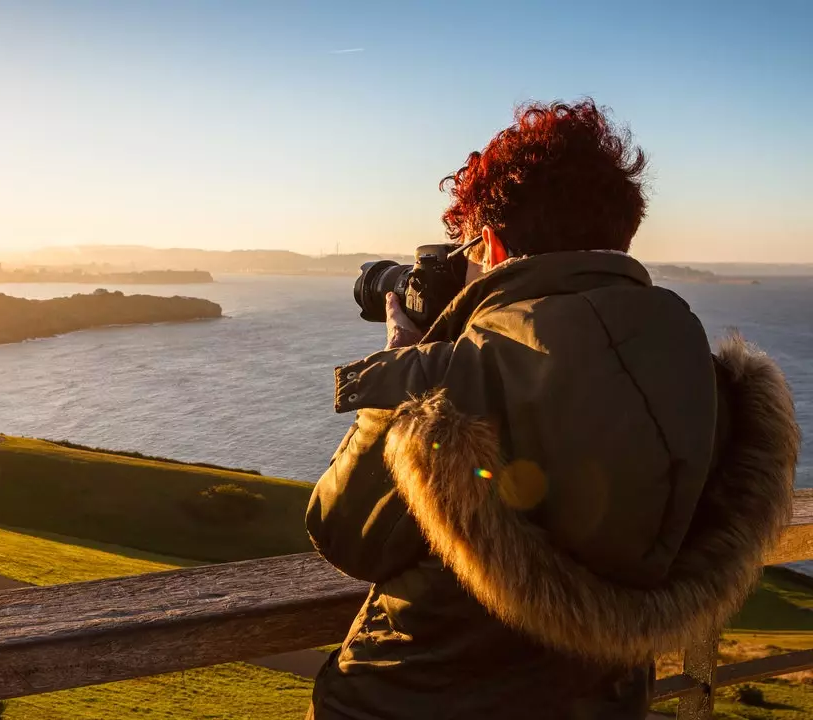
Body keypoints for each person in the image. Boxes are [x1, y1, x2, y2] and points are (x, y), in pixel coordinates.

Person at [305, 99, 801, 719]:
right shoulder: (708, 378)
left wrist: (406, 368)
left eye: (468, 252)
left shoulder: (454, 377)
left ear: (490, 242)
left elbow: (343, 534)